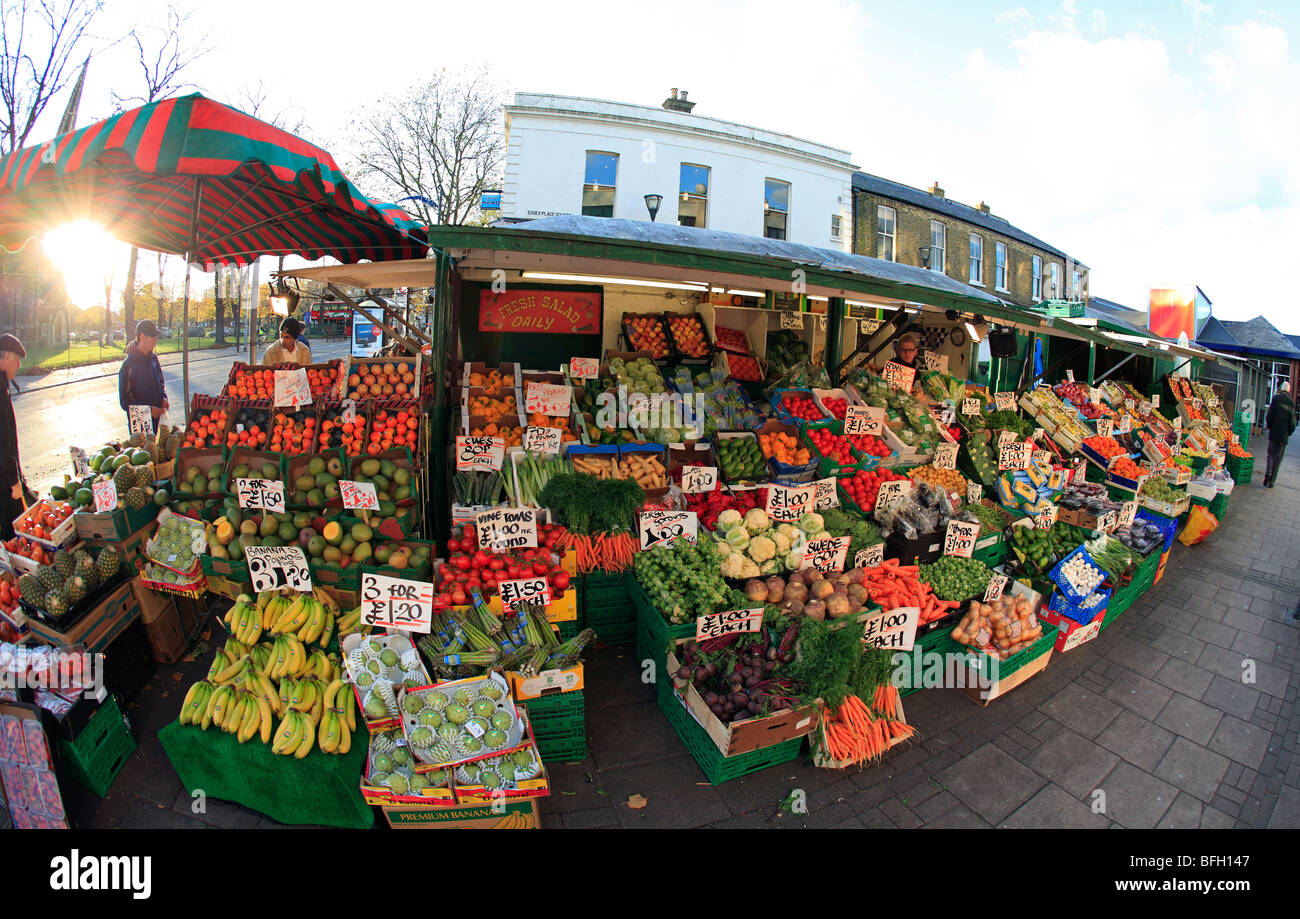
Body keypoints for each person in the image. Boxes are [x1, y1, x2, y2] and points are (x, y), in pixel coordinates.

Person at [0, 334, 34, 540]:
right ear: (5, 358)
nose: (19, 365)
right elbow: (3, 441)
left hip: (6, 478)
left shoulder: (4, 385)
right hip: (4, 483)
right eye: (17, 360)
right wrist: (13, 481)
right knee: (14, 536)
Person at [118, 320, 169, 433]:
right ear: (142, 336)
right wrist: (148, 410)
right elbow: (125, 401)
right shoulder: (128, 365)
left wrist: (164, 398)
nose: (156, 339)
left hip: (158, 423)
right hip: (140, 426)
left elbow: (161, 384)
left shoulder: (154, 360)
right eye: (152, 336)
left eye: (156, 336)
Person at [1263, 382, 1296, 487]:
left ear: (1281, 389)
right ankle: (1272, 481)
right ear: (1289, 391)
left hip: (1274, 432)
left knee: (1270, 454)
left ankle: (1268, 472)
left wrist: (1269, 426)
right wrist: (1289, 432)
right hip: (1284, 435)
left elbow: (1269, 415)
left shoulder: (1275, 399)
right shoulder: (1291, 402)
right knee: (1278, 457)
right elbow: (1292, 422)